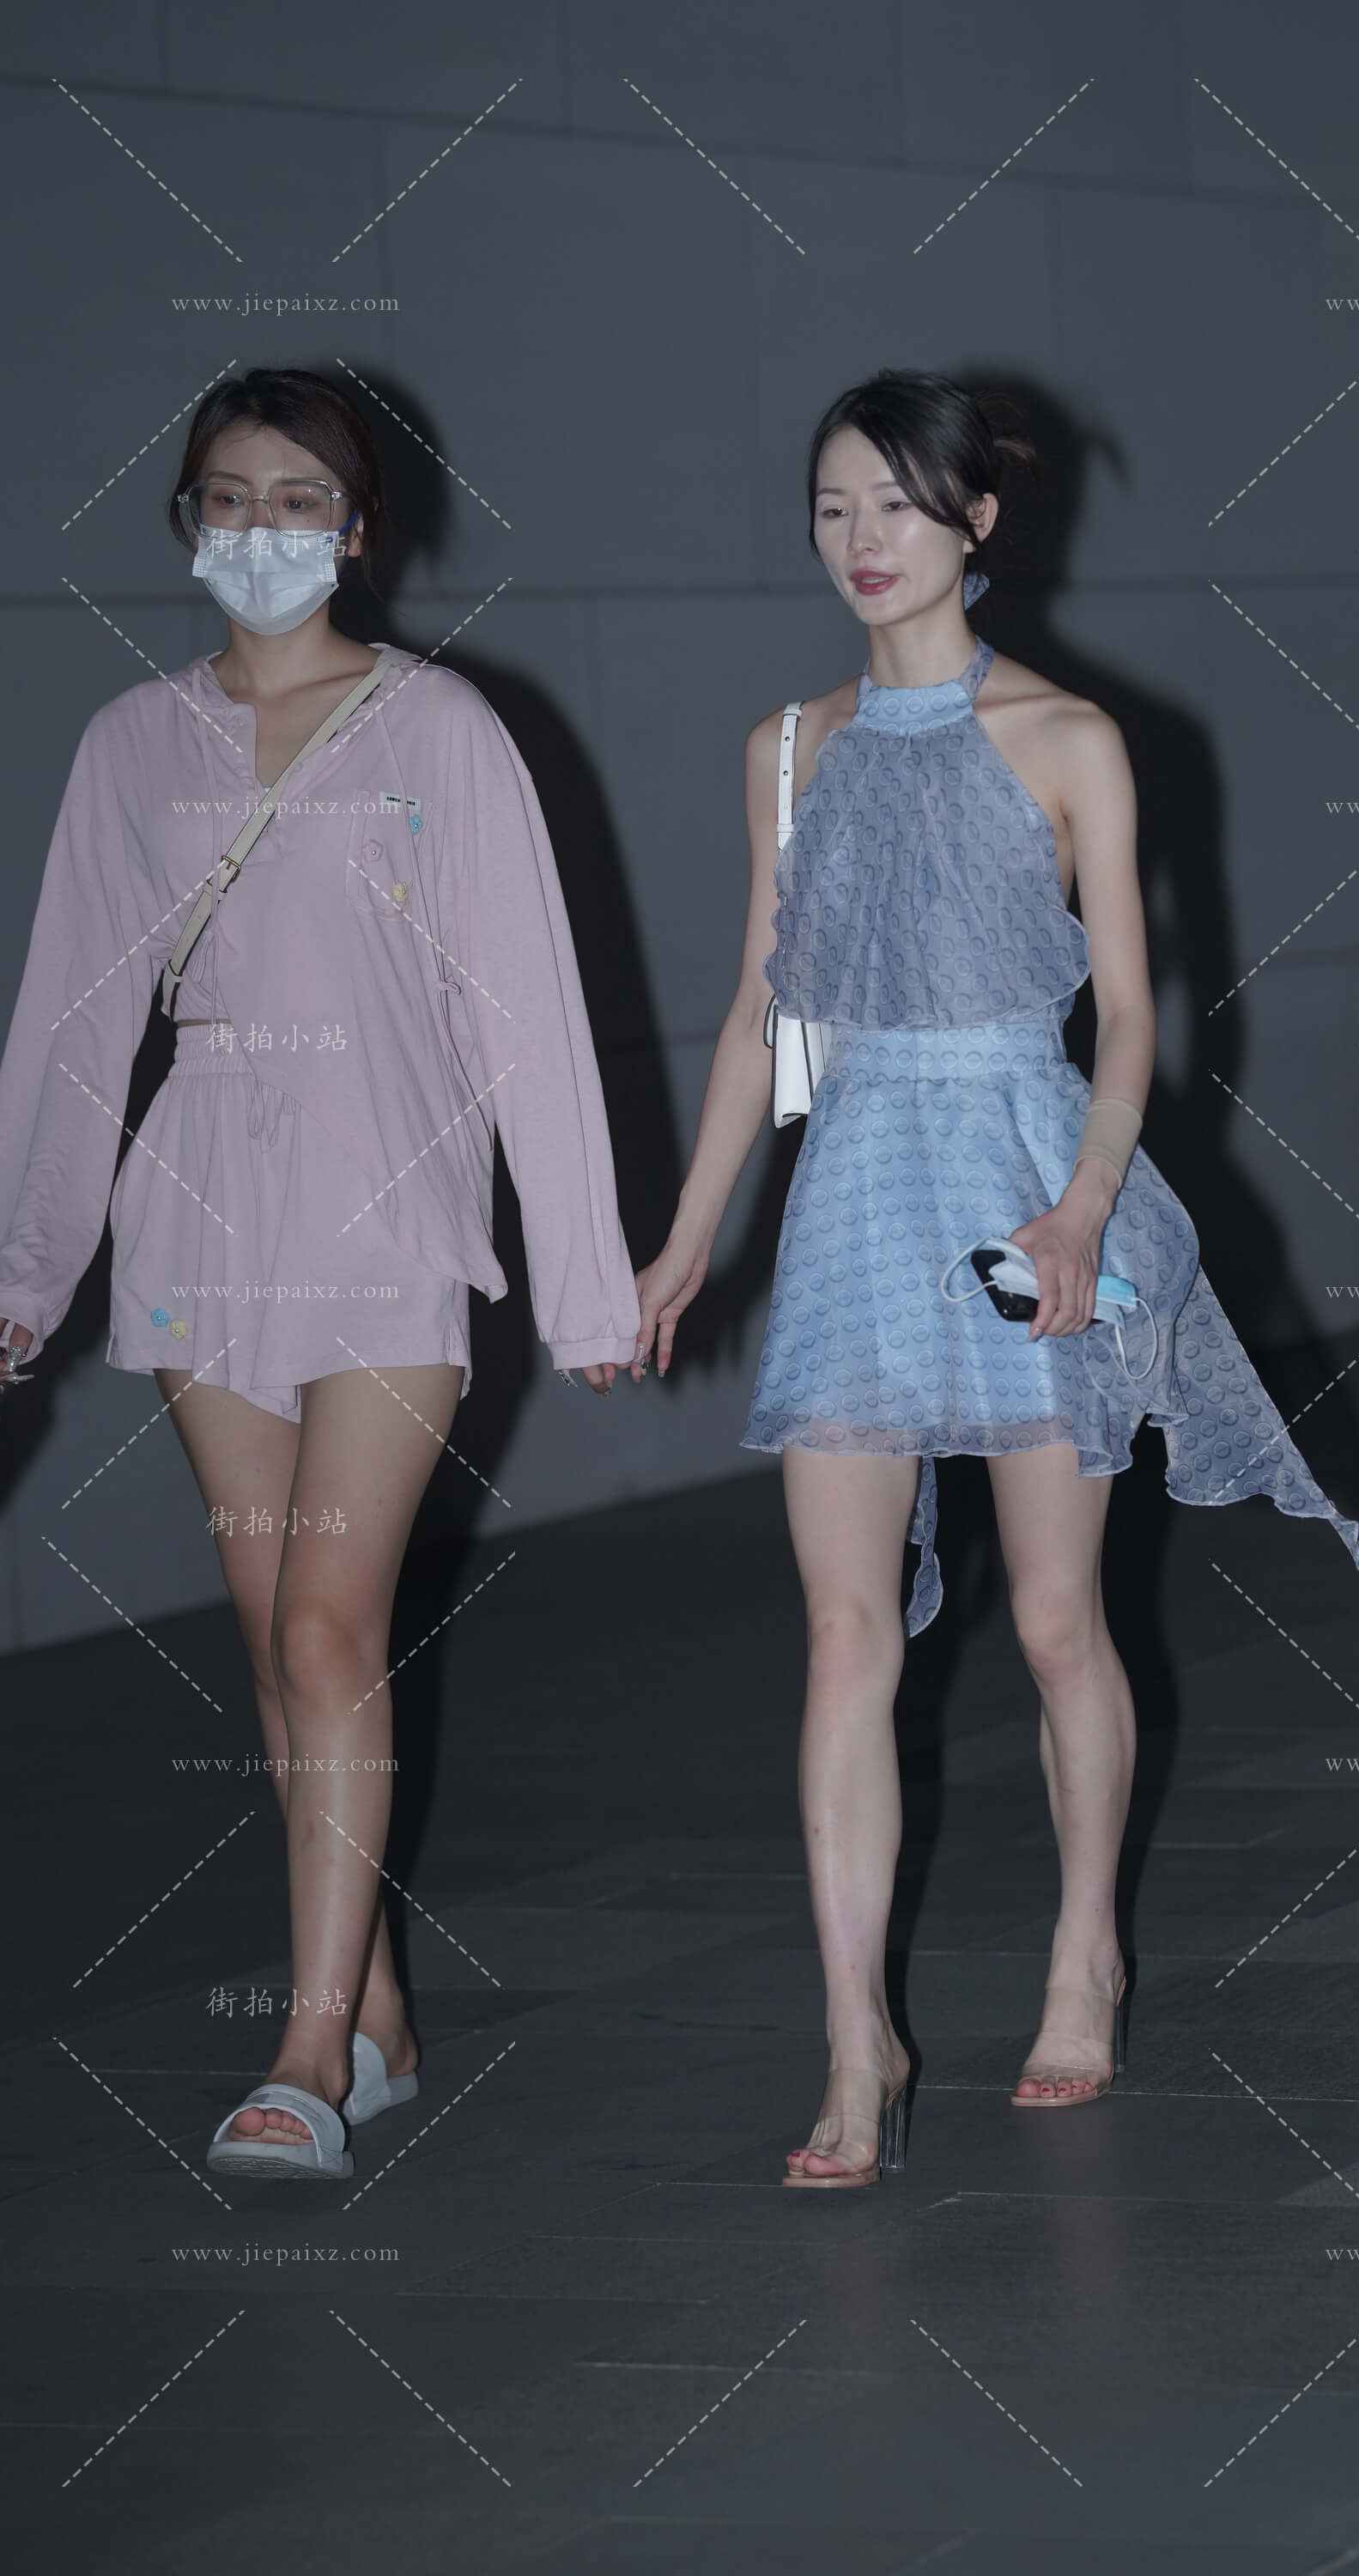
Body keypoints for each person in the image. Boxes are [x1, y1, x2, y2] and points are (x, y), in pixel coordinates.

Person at [629, 369, 1359, 2190]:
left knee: (1054, 1619)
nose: (861, 540)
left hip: (1034, 1184)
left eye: (896, 505)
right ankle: (856, 2044)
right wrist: (685, 1233)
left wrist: (1079, 1214)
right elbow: (764, 1016)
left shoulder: (1069, 739)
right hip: (855, 1196)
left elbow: (1130, 1017)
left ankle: (1082, 1952)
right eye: (833, 508)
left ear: (976, 522)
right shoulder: (787, 749)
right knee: (842, 1633)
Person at [0, 368, 639, 2182]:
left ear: (358, 531)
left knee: (326, 1628)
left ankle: (304, 2049)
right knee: (276, 1642)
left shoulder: (444, 731)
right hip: (202, 1212)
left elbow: (530, 1016)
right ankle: (373, 2006)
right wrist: (24, 1266)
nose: (261, 529)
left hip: (388, 1200)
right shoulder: (131, 746)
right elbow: (72, 1022)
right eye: (229, 496)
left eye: (299, 499)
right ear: (185, 521)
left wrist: (586, 1282)